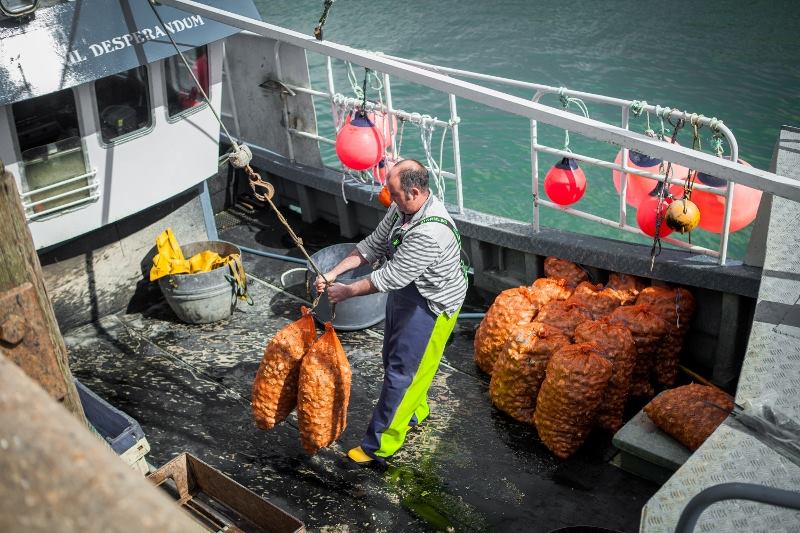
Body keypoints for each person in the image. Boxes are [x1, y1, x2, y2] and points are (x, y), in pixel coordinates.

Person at [315, 159, 467, 465]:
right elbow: (373, 245)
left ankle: (379, 446)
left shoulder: (430, 233)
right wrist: (335, 272)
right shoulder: (401, 208)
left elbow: (389, 277)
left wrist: (345, 291)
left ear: (413, 191)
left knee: (403, 374)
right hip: (407, 290)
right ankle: (416, 410)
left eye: (393, 191)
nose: (388, 196)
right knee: (393, 357)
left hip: (434, 302)